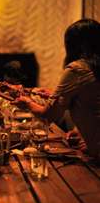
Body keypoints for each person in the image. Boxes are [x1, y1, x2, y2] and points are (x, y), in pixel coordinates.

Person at [13, 19, 100, 160]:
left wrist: (27, 102)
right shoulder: (94, 67)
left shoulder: (77, 69)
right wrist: (81, 132)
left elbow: (48, 115)